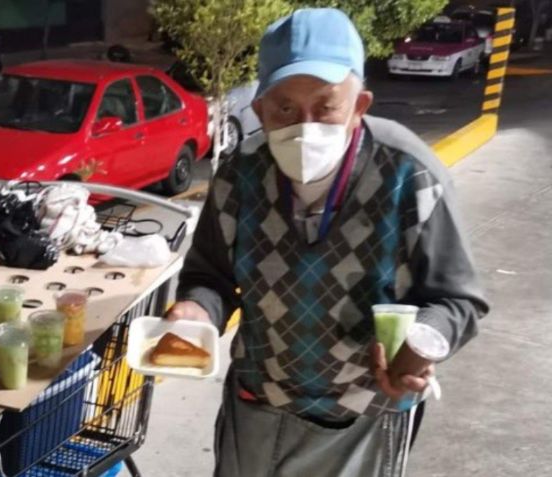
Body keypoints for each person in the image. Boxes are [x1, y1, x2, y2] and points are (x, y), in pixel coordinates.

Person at [167, 8, 489, 477]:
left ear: (360, 104)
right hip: (258, 404)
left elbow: (458, 299)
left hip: (367, 416)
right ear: (259, 109)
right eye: (285, 108)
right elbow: (208, 276)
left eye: (326, 106)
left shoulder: (409, 172)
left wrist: (423, 341)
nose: (306, 125)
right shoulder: (240, 175)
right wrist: (196, 311)